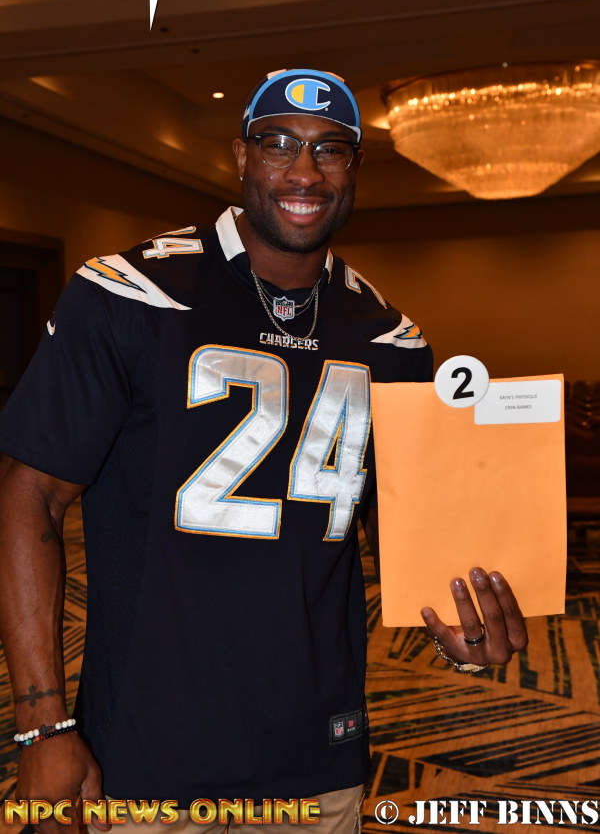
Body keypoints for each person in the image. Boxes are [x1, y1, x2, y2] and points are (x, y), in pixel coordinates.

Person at [0, 69, 527, 833]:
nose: (304, 171)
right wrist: (42, 726)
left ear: (355, 168)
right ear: (241, 155)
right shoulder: (131, 294)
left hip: (317, 757)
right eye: (278, 143)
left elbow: (412, 535)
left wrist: (464, 635)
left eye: (330, 149)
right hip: (147, 752)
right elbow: (30, 496)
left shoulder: (390, 338)